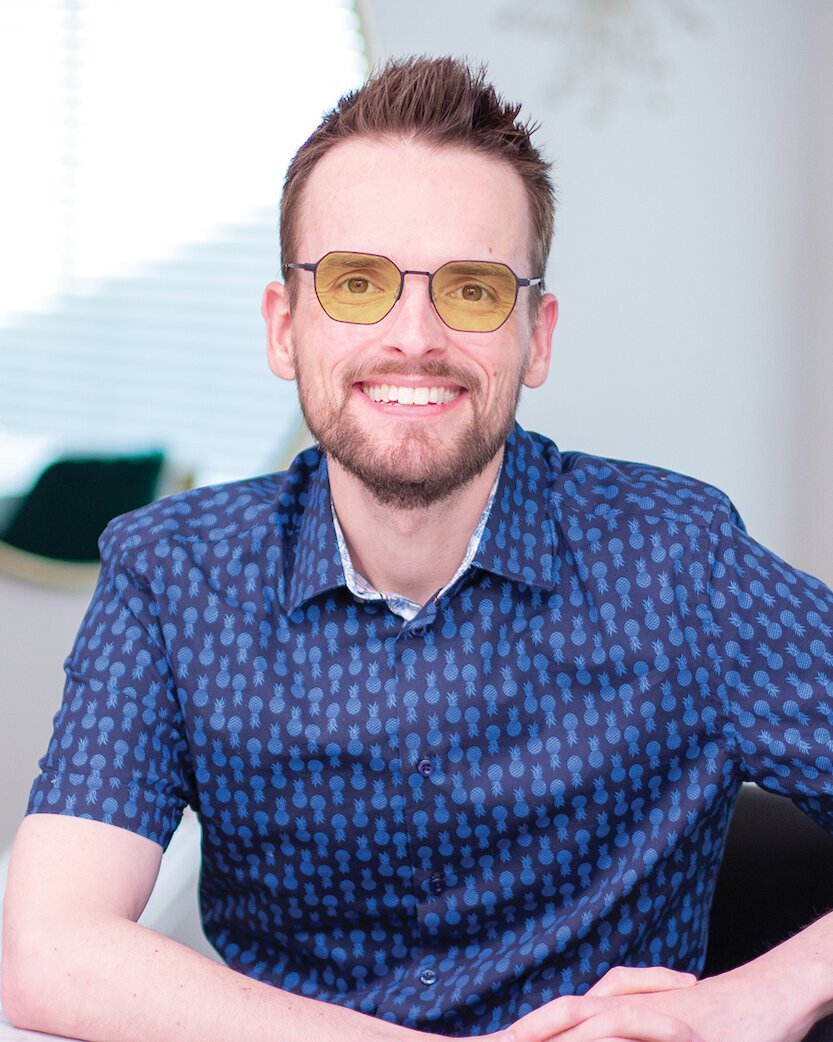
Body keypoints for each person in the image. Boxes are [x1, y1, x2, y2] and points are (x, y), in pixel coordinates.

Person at [2, 55, 832, 1042]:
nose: (413, 337)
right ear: (283, 327)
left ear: (535, 336)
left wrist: (750, 1001)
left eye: (471, 290)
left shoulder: (678, 561)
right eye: (356, 283)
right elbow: (47, 949)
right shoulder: (171, 574)